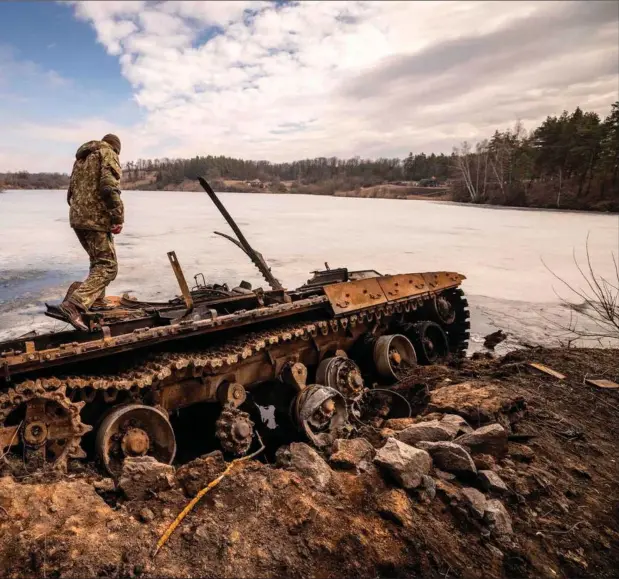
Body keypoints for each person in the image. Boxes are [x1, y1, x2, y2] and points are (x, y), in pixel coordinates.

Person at [59, 134, 124, 331]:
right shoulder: (107, 153)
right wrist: (117, 217)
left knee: (97, 261)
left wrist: (81, 213)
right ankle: (75, 303)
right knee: (108, 266)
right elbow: (108, 187)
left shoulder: (81, 159)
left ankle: (95, 300)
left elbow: (70, 193)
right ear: (116, 148)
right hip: (95, 218)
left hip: (78, 217)